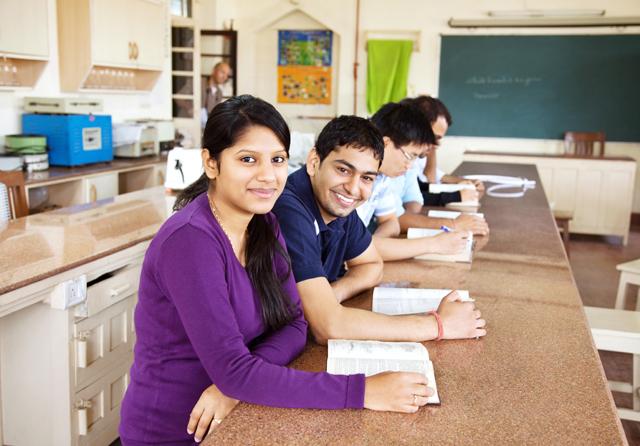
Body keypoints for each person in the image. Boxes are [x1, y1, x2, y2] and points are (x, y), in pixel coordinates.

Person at [119, 96, 435, 445]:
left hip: (239, 416)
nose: (267, 176)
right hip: (177, 429)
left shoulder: (264, 223)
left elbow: (296, 324)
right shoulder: (190, 241)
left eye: (278, 160)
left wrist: (237, 382)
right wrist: (363, 391)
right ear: (211, 163)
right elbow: (236, 371)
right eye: (248, 160)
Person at [272, 115, 486, 345]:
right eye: (343, 170)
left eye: (366, 178)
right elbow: (327, 326)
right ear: (314, 162)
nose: (354, 188)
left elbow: (372, 266)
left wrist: (332, 295)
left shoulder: (341, 207)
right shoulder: (289, 208)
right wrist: (438, 325)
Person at [357, 101, 471, 261]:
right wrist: (434, 244)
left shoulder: (382, 178)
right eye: (410, 156)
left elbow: (392, 223)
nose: (410, 167)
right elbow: (353, 249)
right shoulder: (353, 180)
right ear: (386, 144)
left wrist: (374, 243)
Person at [396, 97, 489, 236]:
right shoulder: (396, 162)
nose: (436, 144)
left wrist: (459, 183)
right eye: (434, 137)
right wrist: (453, 219)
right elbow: (396, 219)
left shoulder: (409, 161)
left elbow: (417, 195)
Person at [201, 62, 231, 127]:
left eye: (227, 75)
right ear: (214, 70)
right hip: (189, 122)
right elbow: (179, 99)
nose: (225, 77)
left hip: (204, 127)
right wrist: (190, 109)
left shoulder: (219, 93)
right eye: (223, 72)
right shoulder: (199, 82)